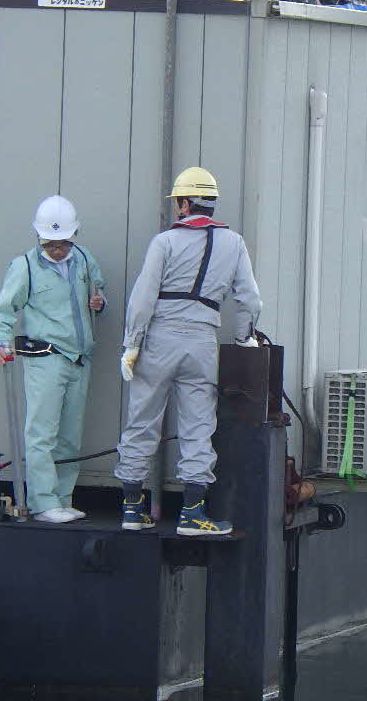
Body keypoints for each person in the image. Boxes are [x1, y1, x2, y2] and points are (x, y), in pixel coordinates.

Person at [114, 167, 262, 536]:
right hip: (202, 341)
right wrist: (244, 339)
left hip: (159, 339)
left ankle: (132, 509)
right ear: (210, 204)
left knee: (142, 420)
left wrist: (132, 344)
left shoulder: (164, 242)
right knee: (198, 426)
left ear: (183, 203)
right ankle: (193, 513)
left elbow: (143, 298)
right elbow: (251, 300)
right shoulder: (235, 244)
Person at [0, 195, 106, 524]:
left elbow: (99, 289)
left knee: (70, 433)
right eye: (51, 244)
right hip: (45, 358)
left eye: (63, 243)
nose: (57, 250)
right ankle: (42, 501)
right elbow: (3, 310)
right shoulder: (24, 266)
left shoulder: (83, 260)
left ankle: (63, 497)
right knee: (42, 432)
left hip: (79, 358)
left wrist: (99, 301)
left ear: (74, 236)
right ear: (39, 237)